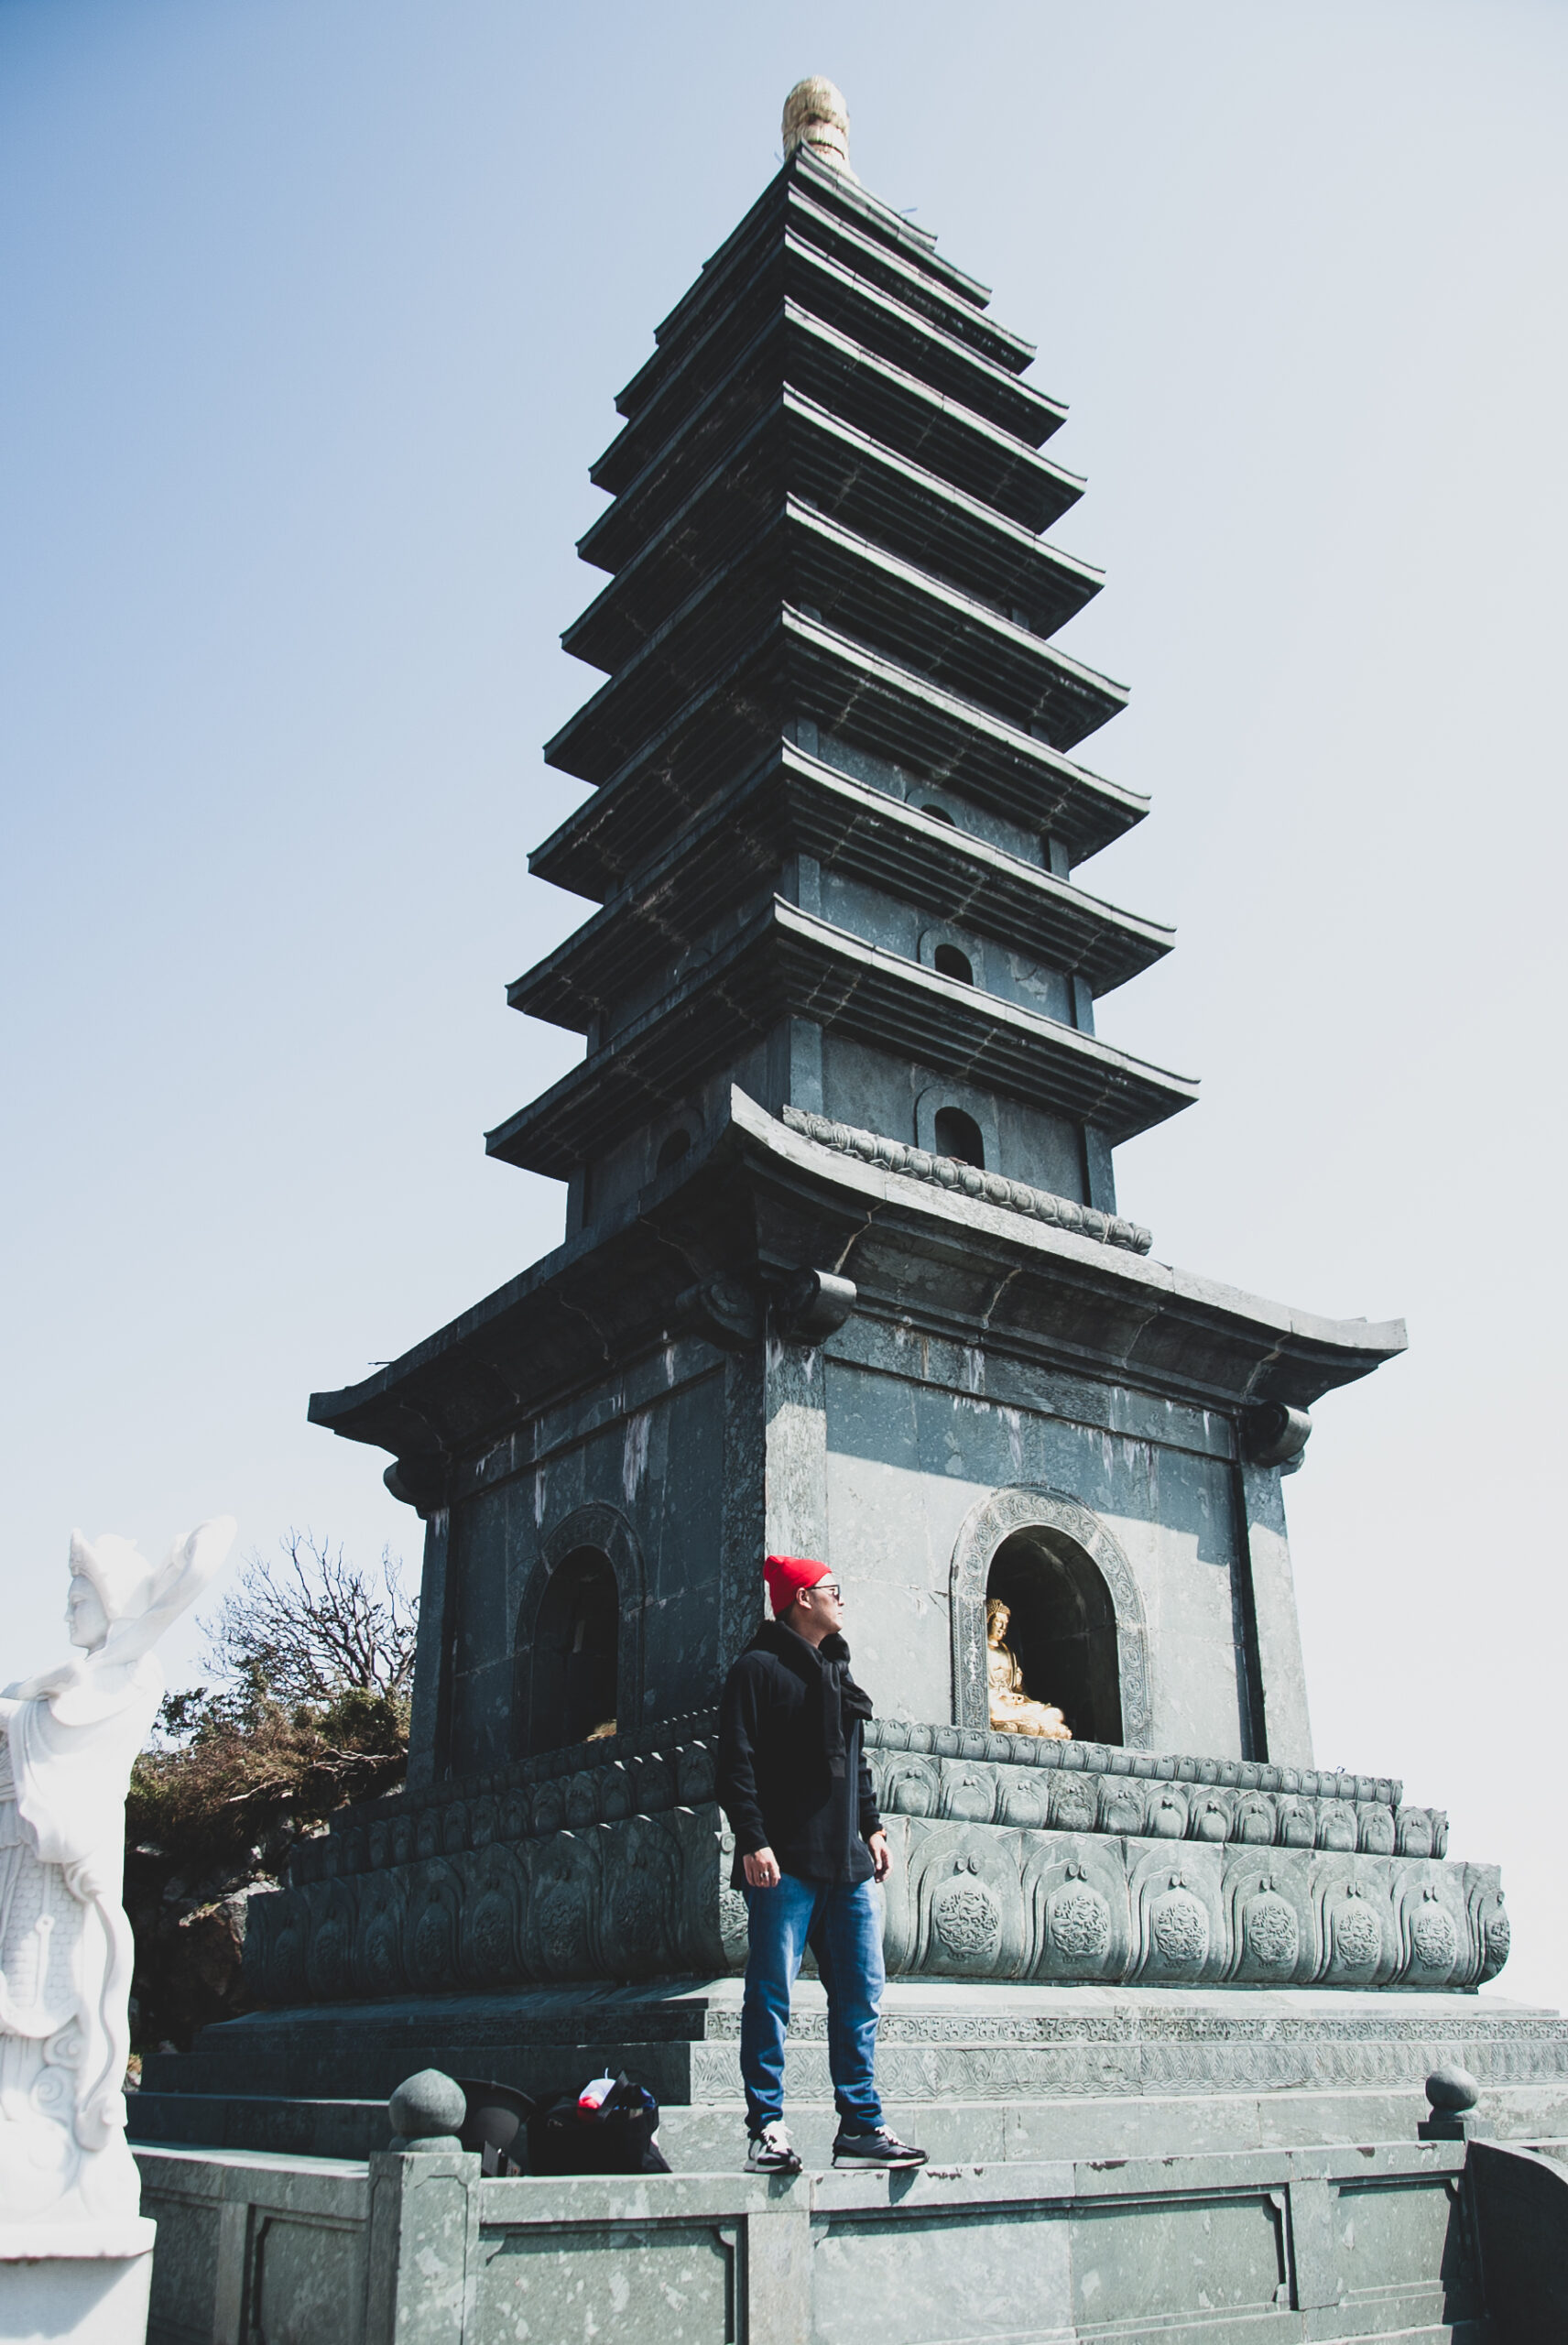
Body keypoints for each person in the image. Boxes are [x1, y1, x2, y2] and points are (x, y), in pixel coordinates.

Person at [716, 1552, 927, 2175]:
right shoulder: (756, 1669)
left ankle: (859, 2126)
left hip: (848, 1864)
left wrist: (873, 1825)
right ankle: (767, 2128)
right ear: (802, 1599)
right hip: (784, 1863)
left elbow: (853, 1760)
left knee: (861, 1994)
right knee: (771, 1995)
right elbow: (734, 1763)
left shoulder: (838, 1671)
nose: (843, 1599)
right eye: (833, 1589)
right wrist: (752, 1840)